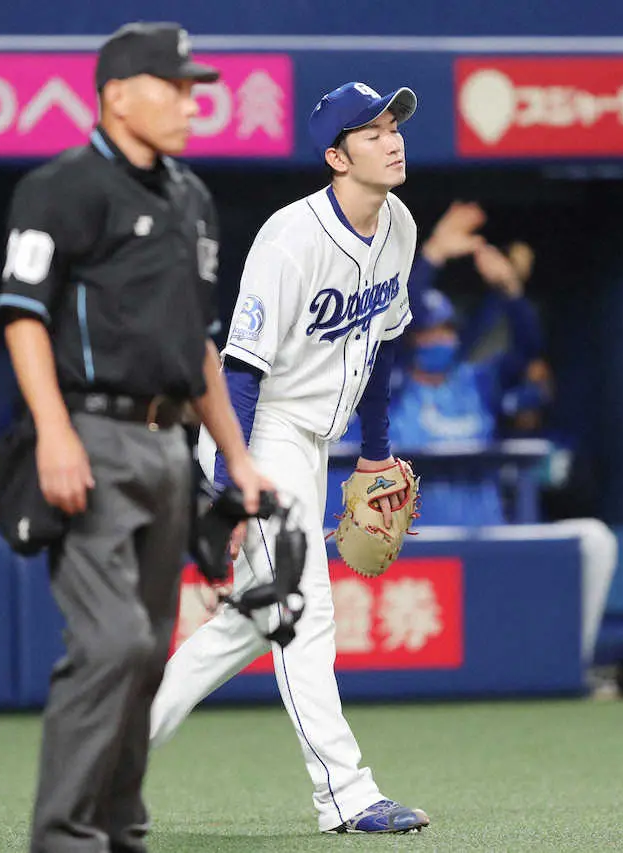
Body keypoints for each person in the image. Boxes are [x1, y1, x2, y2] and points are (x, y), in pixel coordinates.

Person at [0, 22, 270, 853]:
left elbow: (200, 346)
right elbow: (22, 314)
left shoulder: (192, 198)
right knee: (112, 639)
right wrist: (54, 432)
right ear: (116, 95)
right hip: (91, 434)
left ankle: (119, 831)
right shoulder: (60, 187)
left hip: (169, 444)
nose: (192, 103)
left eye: (194, 89)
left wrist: (238, 458)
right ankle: (63, 836)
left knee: (148, 649)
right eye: (174, 87)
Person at [149, 82, 429, 834]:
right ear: (337, 157)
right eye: (372, 132)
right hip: (258, 431)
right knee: (304, 606)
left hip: (317, 440)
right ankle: (346, 795)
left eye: (394, 126)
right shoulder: (289, 238)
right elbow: (240, 372)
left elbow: (384, 346)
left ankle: (112, 749)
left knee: (250, 619)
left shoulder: (399, 225)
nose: (392, 140)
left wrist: (375, 456)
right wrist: (230, 489)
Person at [377, 228, 618, 674]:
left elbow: (527, 346)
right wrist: (431, 256)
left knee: (595, 540)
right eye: (429, 332)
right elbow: (390, 329)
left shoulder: (476, 383)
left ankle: (571, 670)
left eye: (447, 330)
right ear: (412, 340)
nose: (439, 339)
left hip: (487, 541)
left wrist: (510, 291)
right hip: (417, 548)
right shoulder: (394, 387)